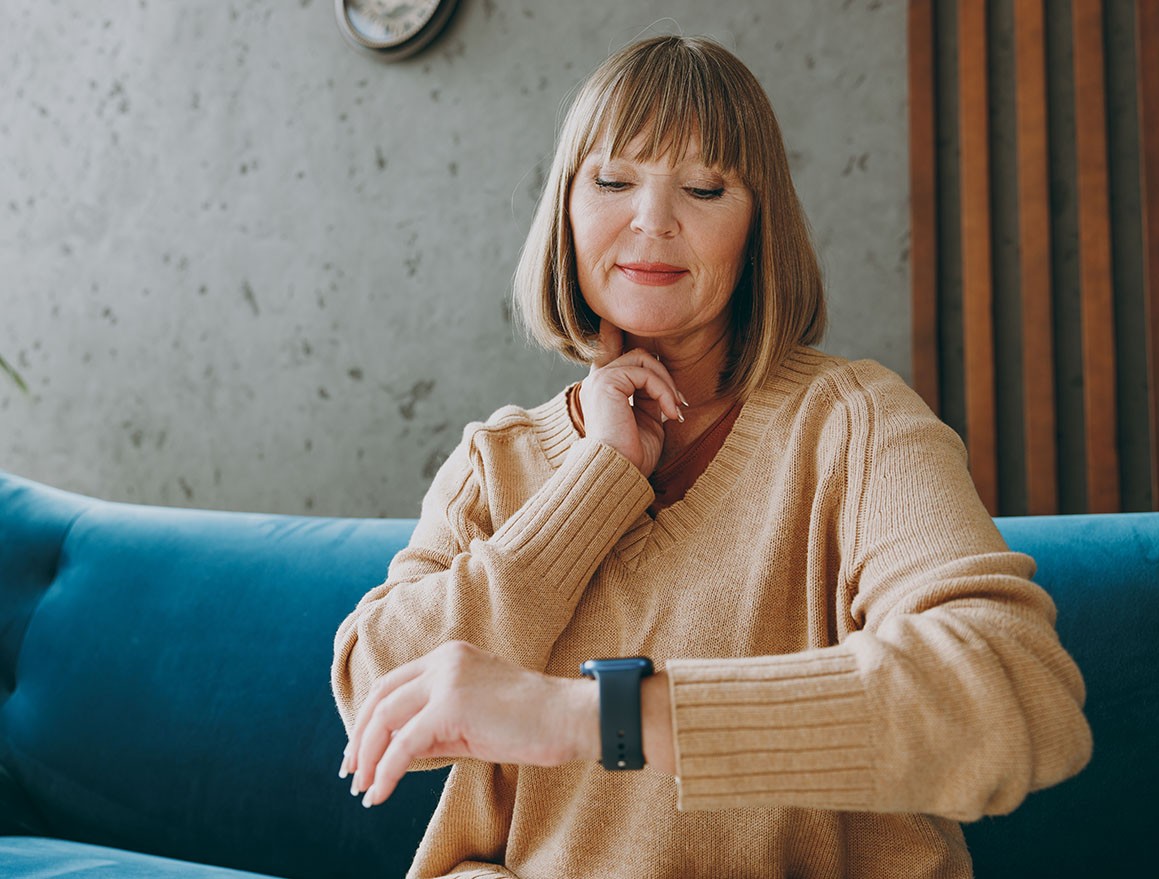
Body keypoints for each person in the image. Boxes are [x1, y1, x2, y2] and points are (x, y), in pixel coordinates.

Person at [332, 35, 1092, 878]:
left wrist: (588, 716)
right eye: (613, 181)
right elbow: (376, 695)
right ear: (567, 209)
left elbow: (1015, 692)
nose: (652, 220)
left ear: (758, 225)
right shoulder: (497, 462)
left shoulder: (856, 422)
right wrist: (592, 486)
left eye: (703, 187)